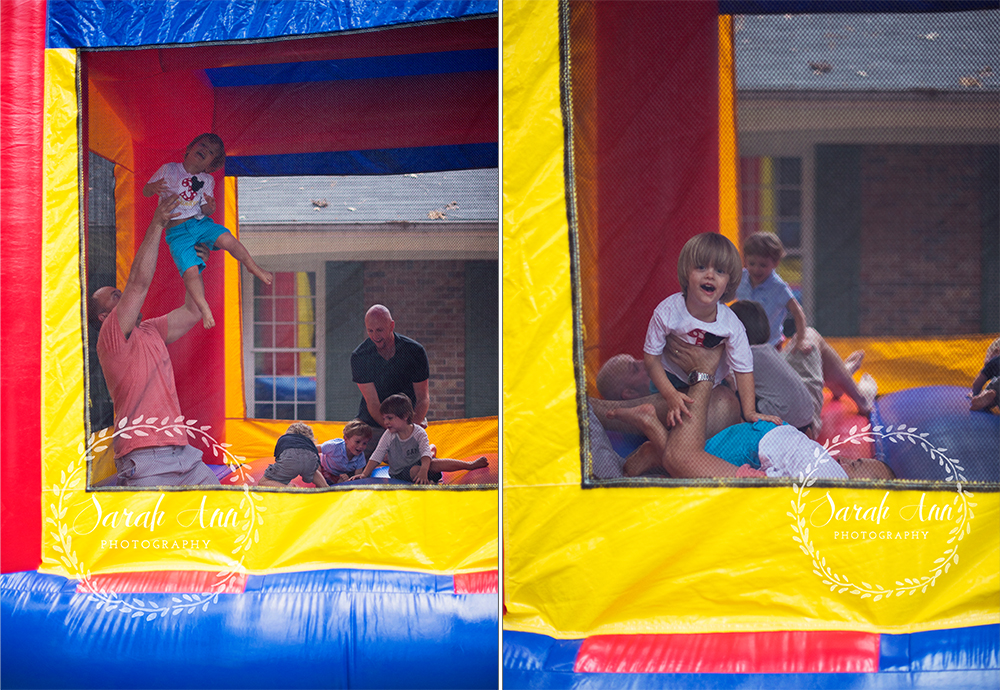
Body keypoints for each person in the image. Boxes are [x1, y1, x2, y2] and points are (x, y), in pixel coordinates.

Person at [593, 339, 893, 481]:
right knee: (685, 460)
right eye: (855, 460)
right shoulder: (829, 480)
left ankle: (647, 436)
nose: (848, 459)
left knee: (686, 458)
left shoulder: (832, 486)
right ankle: (698, 377)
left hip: (765, 436)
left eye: (856, 466)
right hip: (763, 442)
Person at [91, 195, 220, 487]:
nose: (122, 295)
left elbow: (191, 311)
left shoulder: (150, 329)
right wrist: (158, 223)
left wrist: (195, 265)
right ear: (104, 317)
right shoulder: (111, 337)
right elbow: (138, 283)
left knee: (220, 511)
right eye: (115, 296)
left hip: (183, 452)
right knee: (151, 531)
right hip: (144, 453)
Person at [643, 232, 781, 429]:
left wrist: (749, 411)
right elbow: (651, 359)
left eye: (720, 271)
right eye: (701, 267)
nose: (710, 275)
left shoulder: (732, 326)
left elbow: (743, 370)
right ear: (686, 272)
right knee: (665, 422)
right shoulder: (667, 312)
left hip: (711, 384)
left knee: (719, 418)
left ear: (728, 283)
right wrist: (670, 394)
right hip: (669, 378)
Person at [735, 232, 877, 415]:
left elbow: (798, 313)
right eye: (751, 263)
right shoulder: (742, 280)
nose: (756, 270)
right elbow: (726, 298)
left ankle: (848, 384)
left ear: (775, 263)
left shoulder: (778, 288)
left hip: (771, 345)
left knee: (785, 378)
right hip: (746, 345)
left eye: (763, 265)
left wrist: (801, 339)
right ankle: (842, 375)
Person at [143, 133, 272, 329]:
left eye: (211, 152)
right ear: (189, 149)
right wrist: (153, 187)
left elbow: (205, 208)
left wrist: (210, 207)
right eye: (202, 145)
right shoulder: (169, 169)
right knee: (190, 271)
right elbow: (145, 191)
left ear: (211, 165)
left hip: (199, 223)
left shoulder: (207, 180)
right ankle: (204, 308)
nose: (205, 150)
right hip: (177, 231)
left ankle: (251, 265)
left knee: (228, 239)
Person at [729, 300, 822, 434]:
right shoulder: (768, 350)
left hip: (784, 421)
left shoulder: (746, 355)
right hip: (807, 419)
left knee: (732, 392)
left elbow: (732, 383)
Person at [353, 395, 487, 485]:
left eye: (390, 418)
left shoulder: (418, 432)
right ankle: (429, 485)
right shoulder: (389, 435)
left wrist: (424, 470)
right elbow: (378, 454)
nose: (386, 422)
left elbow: (425, 453)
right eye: (384, 419)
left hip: (422, 468)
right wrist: (365, 474)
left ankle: (469, 465)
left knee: (434, 463)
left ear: (405, 416)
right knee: (414, 470)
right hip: (400, 472)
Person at [351, 304, 430, 454]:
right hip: (372, 422)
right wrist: (391, 430)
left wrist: (408, 428)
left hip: (409, 420)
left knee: (419, 467)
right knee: (353, 460)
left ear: (391, 325)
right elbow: (373, 403)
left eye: (380, 330)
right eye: (370, 331)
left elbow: (422, 398)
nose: (375, 336)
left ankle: (429, 452)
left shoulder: (414, 352)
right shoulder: (359, 356)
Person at [259, 422, 327, 488]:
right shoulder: (309, 443)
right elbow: (317, 464)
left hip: (289, 458)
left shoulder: (285, 438)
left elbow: (278, 457)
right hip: (311, 458)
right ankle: (326, 487)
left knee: (263, 482)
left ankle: (287, 487)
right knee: (313, 471)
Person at [318, 419, 373, 484]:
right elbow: (313, 449)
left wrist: (349, 480)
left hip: (337, 475)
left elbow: (358, 476)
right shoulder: (334, 446)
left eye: (364, 443)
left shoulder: (360, 457)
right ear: (346, 439)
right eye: (357, 442)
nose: (361, 446)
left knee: (343, 481)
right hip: (323, 468)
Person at [970, 337, 1000, 413]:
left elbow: (978, 383)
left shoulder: (995, 361)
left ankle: (984, 399)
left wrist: (975, 394)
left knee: (993, 394)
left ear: (997, 350)